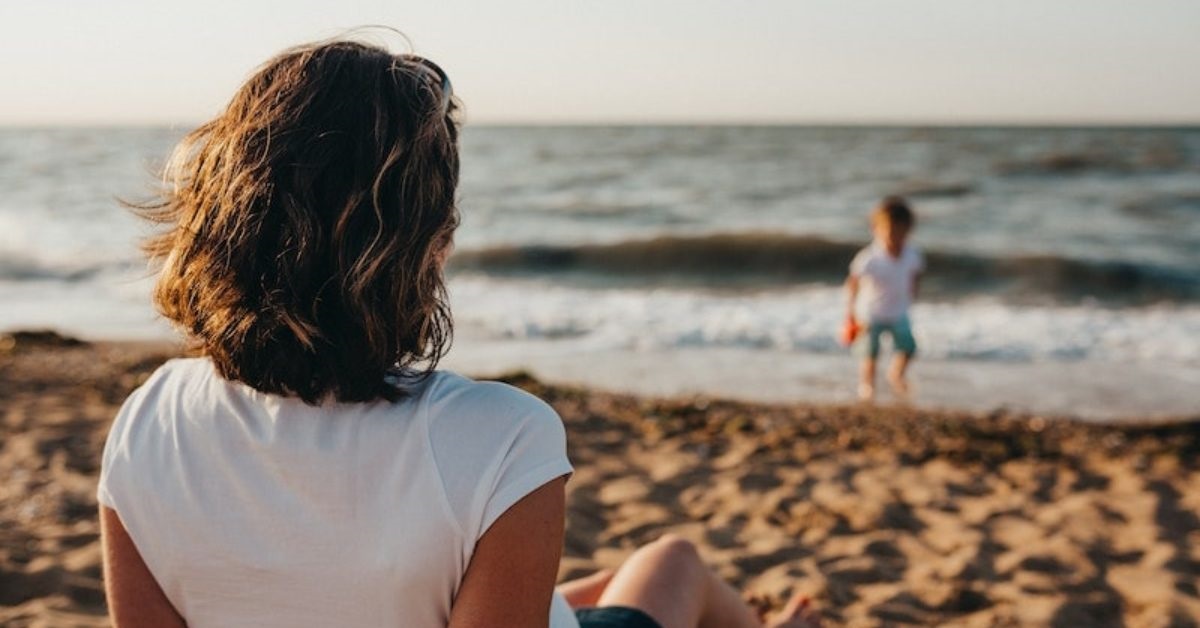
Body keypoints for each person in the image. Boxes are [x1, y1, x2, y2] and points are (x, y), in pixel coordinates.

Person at [97, 37, 821, 628]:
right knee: (676, 563)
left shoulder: (146, 422)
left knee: (586, 589)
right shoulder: (502, 438)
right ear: (428, 246)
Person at [844, 196, 924, 402]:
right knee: (870, 353)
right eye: (890, 232)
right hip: (871, 313)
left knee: (908, 348)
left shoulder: (912, 254)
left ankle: (895, 374)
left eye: (900, 233)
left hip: (899, 311)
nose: (895, 238)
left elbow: (915, 274)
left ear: (908, 231)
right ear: (876, 229)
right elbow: (853, 283)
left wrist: (912, 292)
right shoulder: (869, 257)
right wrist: (850, 313)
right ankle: (867, 386)